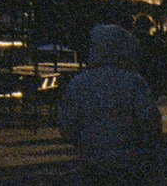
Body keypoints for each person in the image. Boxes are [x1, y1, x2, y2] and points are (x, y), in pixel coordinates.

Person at [57, 22, 160, 185]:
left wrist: (84, 142)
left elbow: (67, 123)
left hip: (92, 160)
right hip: (128, 161)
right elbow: (149, 120)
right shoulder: (133, 82)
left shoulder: (79, 83)